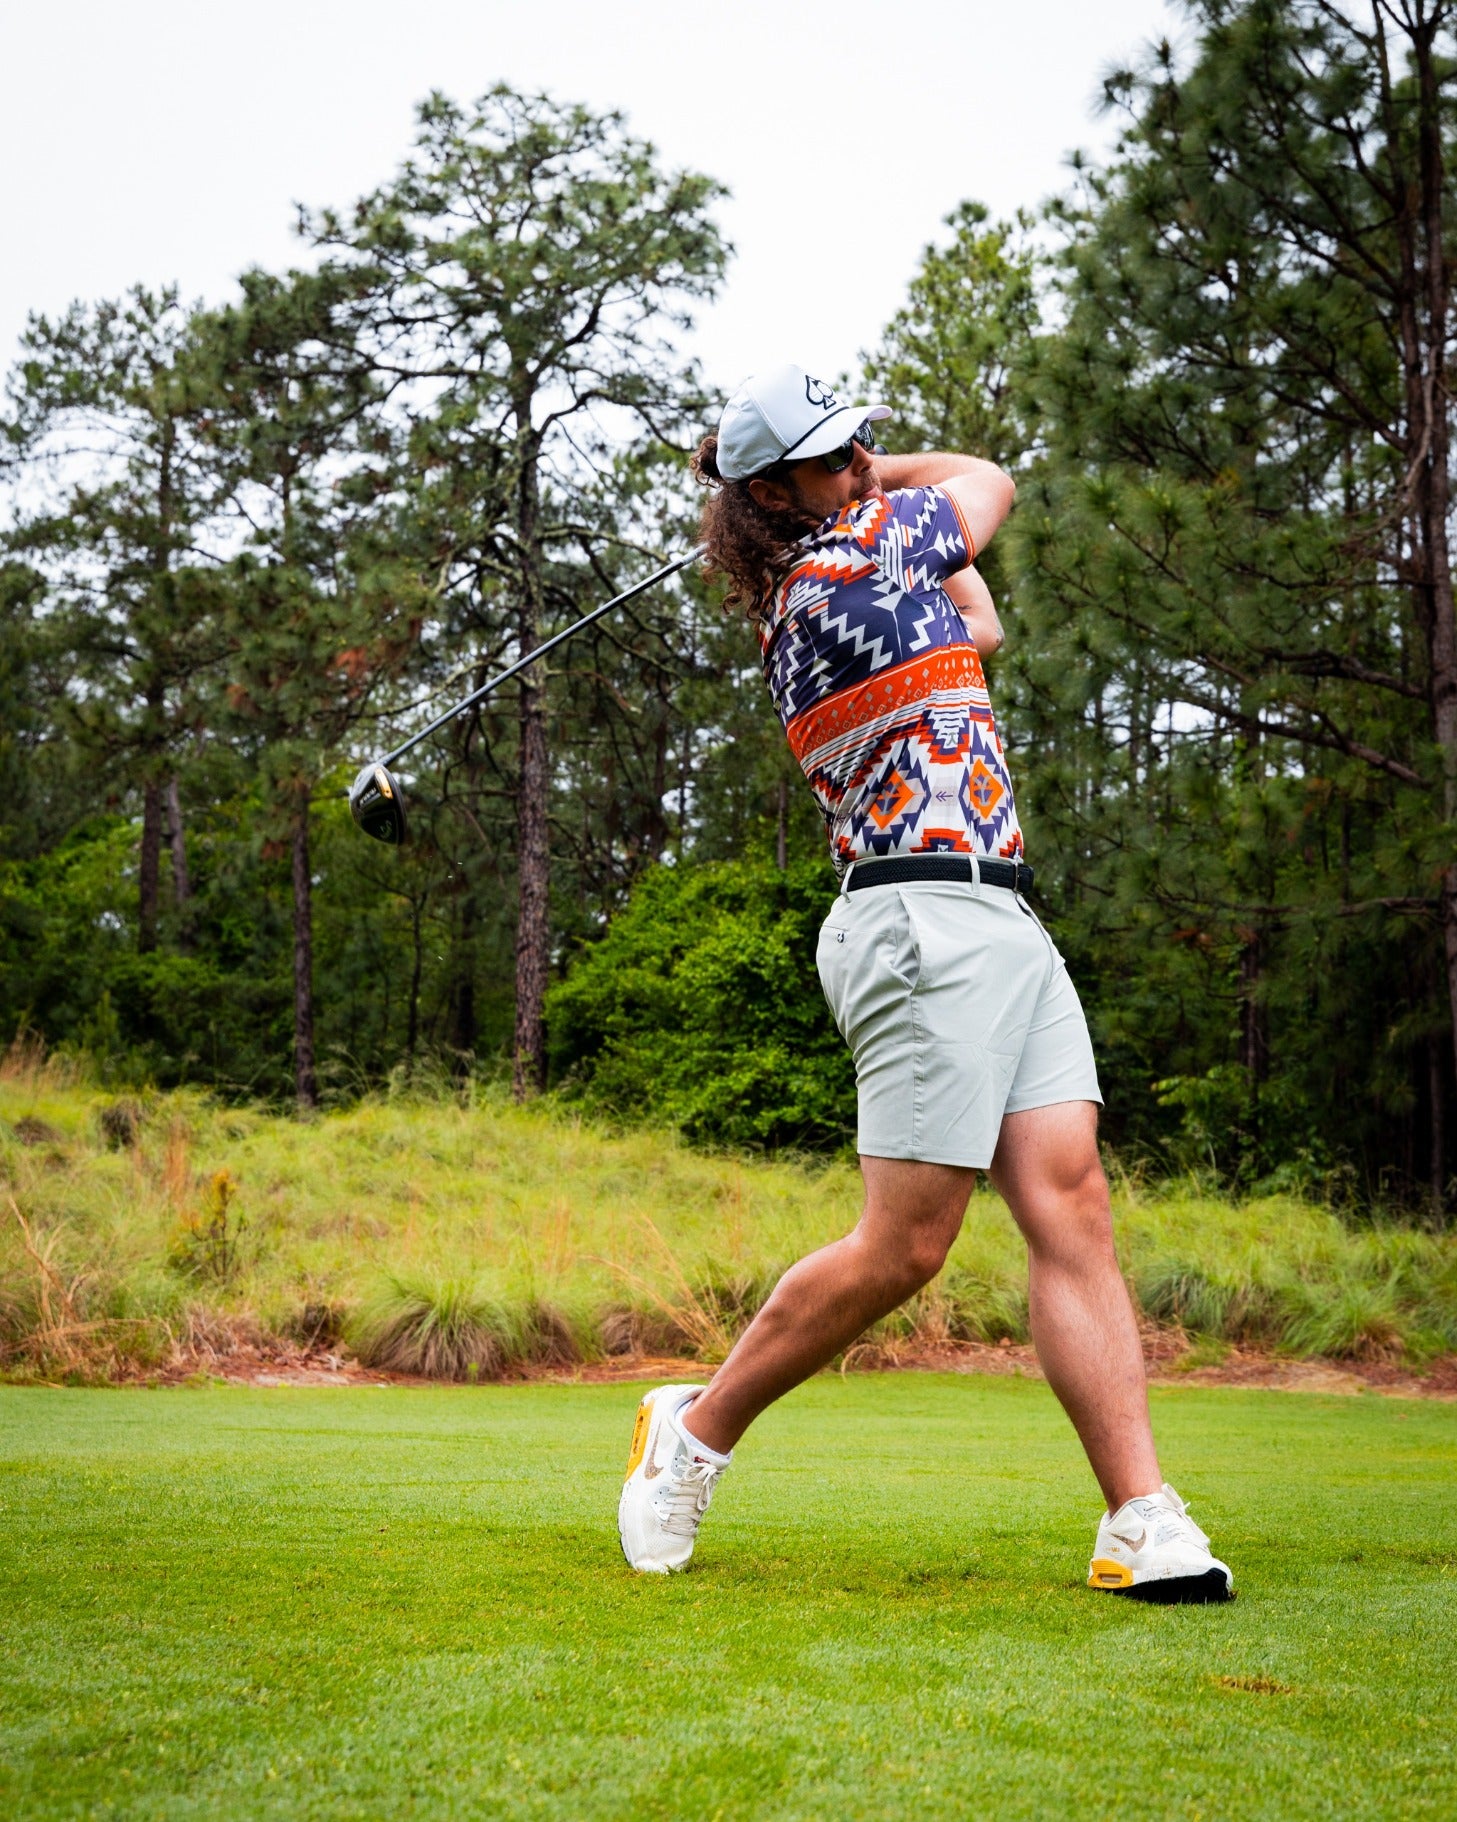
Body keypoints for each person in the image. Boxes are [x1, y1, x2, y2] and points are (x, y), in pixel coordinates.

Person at [617, 363, 1233, 1603]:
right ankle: (692, 1432)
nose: (858, 467)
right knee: (906, 1246)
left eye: (864, 450)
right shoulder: (840, 570)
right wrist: (888, 478)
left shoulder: (869, 564)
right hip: (914, 918)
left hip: (996, 912)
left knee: (1072, 1208)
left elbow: (983, 624)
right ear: (773, 496)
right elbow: (989, 484)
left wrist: (848, 479)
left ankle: (1138, 1517)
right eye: (832, 458)